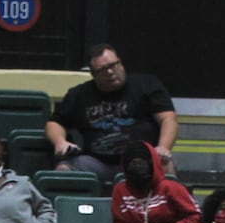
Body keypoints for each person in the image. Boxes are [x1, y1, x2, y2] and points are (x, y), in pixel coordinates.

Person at [47, 43, 178, 180]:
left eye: (113, 65)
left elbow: (168, 119)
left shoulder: (147, 84)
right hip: (97, 162)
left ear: (120, 63)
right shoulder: (79, 94)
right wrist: (60, 142)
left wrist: (163, 147)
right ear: (93, 74)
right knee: (64, 169)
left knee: (164, 164)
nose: (110, 72)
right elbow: (54, 122)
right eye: (102, 70)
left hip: (141, 160)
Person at [111, 142, 199, 223]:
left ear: (151, 164)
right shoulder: (120, 190)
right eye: (133, 163)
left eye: (141, 163)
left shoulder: (171, 188)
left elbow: (195, 217)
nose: (137, 167)